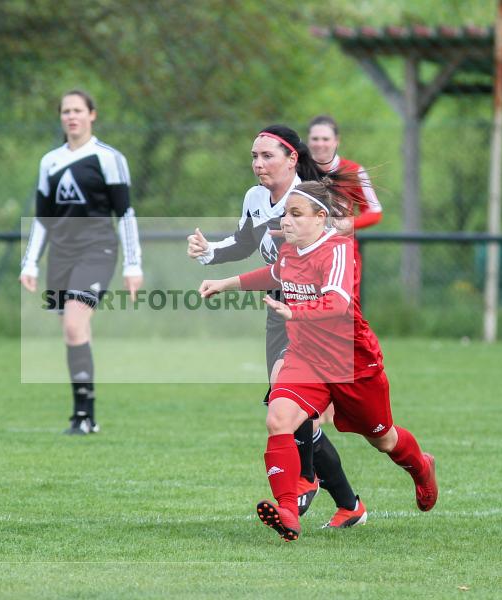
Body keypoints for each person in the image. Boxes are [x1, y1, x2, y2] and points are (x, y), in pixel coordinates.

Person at [198, 179, 437, 542]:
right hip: (305, 356)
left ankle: (422, 467)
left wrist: (294, 315)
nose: (286, 223)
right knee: (279, 419)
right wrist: (224, 283)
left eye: (295, 215)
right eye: (284, 215)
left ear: (320, 217)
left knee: (383, 439)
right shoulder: (289, 251)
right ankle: (288, 512)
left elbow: (338, 302)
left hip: (352, 362)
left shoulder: (338, 249)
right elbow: (272, 275)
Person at [187, 125, 362, 528]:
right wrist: (207, 253)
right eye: (254, 156)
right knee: (289, 411)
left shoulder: (314, 199)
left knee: (295, 408)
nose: (258, 164)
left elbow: (337, 255)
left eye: (267, 156)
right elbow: (244, 243)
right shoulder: (255, 198)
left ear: (292, 159)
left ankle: (303, 482)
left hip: (315, 313)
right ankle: (349, 503)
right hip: (279, 310)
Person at [20, 89, 143, 435]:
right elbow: (42, 219)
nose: (71, 116)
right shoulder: (50, 162)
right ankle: (84, 417)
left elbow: (126, 215)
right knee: (74, 331)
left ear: (92, 115)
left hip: (97, 250)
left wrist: (133, 265)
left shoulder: (109, 158)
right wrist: (30, 263)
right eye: (65, 111)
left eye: (78, 110)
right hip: (61, 254)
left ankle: (84, 416)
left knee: (75, 324)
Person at [301, 114, 386, 526]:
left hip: (341, 266)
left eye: (324, 138)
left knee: (336, 327)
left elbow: (375, 212)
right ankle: (322, 403)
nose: (318, 145)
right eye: (313, 138)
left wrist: (346, 222)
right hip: (304, 268)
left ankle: (332, 396)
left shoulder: (351, 173)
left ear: (336, 141)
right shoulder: (300, 169)